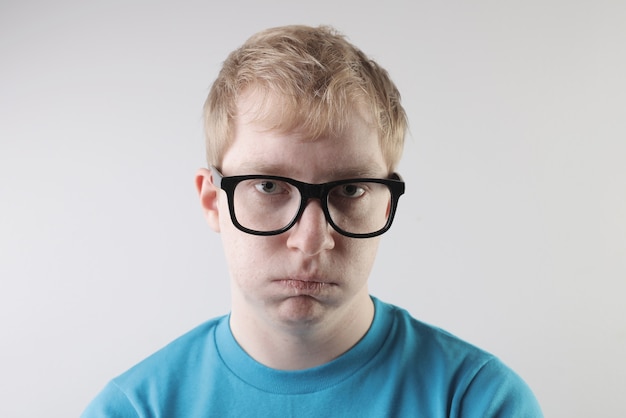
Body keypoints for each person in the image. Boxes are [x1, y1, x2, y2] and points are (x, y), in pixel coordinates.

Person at [81, 24, 543, 417]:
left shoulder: (476, 402)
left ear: (384, 204)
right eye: (269, 186)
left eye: (349, 190)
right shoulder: (136, 410)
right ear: (212, 201)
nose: (311, 239)